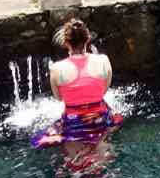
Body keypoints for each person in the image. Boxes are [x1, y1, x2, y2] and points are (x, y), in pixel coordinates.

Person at [31, 18, 124, 149]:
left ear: (66, 43)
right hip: (99, 118)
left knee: (50, 142)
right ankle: (102, 145)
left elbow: (59, 98)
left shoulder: (57, 68)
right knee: (112, 123)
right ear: (87, 39)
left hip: (74, 121)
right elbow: (103, 90)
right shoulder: (103, 60)